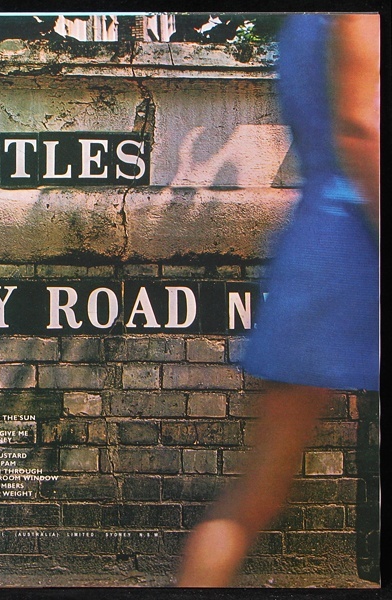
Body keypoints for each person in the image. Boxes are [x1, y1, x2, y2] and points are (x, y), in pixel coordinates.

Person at [177, 13, 380, 587]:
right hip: (357, 245)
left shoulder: (300, 23)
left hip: (318, 243)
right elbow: (360, 127)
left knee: (257, 491)